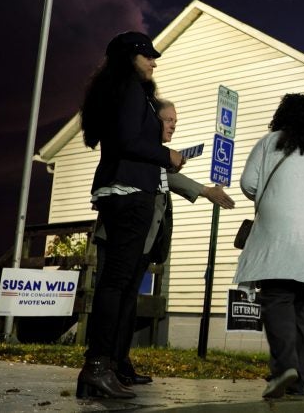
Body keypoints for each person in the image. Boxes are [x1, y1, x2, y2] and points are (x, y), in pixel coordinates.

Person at [93, 99, 235, 387]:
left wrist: (205, 191)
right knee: (113, 298)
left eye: (175, 122)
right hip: (120, 235)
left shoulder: (157, 155)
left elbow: (167, 177)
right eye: (168, 120)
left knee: (129, 302)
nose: (173, 125)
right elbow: (161, 177)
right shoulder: (138, 147)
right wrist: (203, 190)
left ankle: (119, 362)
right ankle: (101, 363)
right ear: (152, 120)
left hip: (142, 239)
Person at [77, 31, 184, 399]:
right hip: (130, 191)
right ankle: (97, 367)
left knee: (116, 284)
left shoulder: (117, 88)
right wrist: (166, 155)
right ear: (130, 57)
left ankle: (101, 369)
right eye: (148, 56)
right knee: (116, 284)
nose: (154, 62)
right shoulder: (131, 88)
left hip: (116, 188)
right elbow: (127, 140)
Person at [233, 93, 304, 399]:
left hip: (281, 235)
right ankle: (300, 384)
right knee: (303, 308)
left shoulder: (270, 143)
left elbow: (248, 183)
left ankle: (284, 367)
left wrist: (274, 200)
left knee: (277, 299)